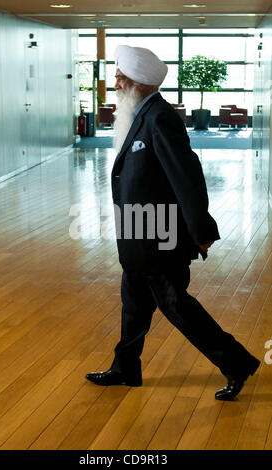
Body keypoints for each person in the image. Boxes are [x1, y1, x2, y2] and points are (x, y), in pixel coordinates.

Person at [86, 45, 260, 400]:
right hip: (140, 232)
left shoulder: (159, 117)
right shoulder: (142, 113)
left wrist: (201, 230)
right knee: (133, 304)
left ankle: (236, 361)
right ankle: (125, 368)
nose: (116, 85)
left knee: (176, 305)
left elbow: (186, 175)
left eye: (120, 78)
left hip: (158, 236)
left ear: (139, 83)